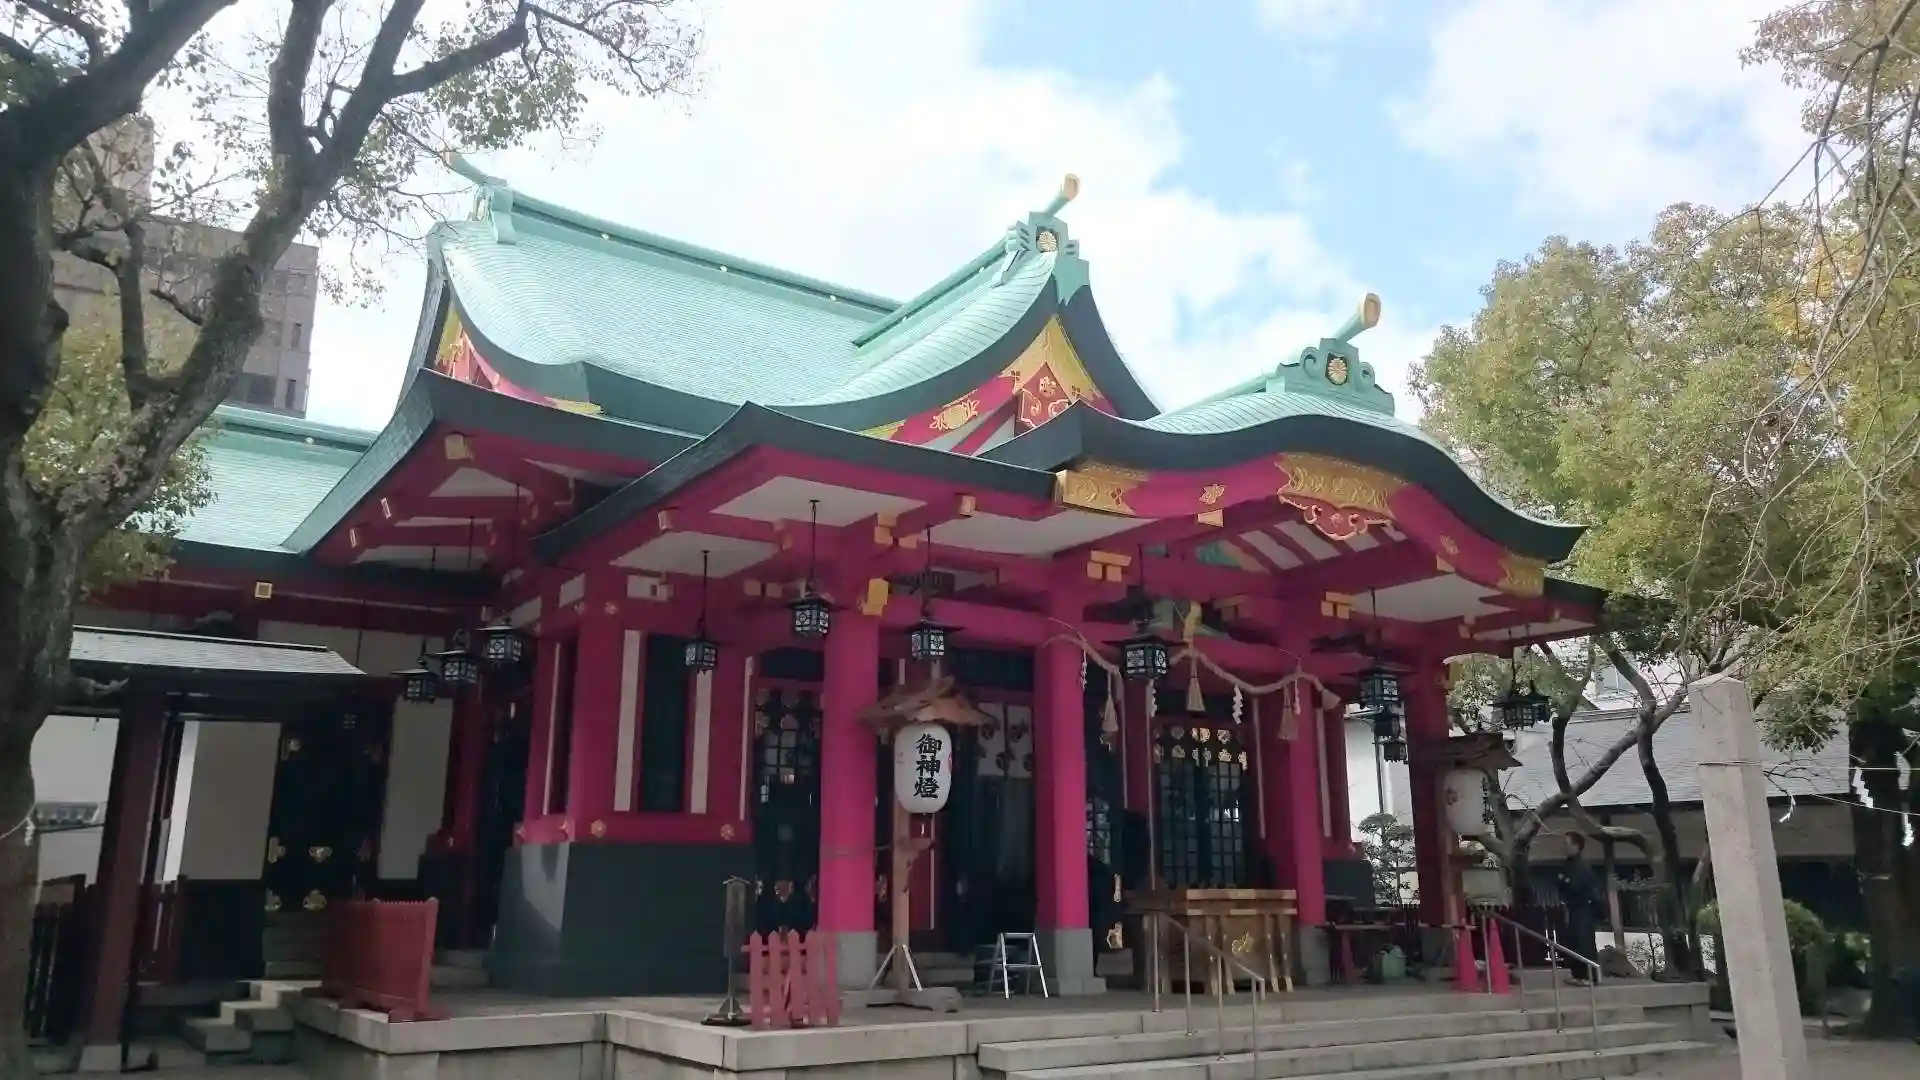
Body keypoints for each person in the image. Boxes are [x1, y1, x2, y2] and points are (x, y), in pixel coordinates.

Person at [1553, 833, 1603, 986]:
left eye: (1567, 843)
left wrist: (1564, 880)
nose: (1564, 847)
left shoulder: (1582, 866)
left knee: (1584, 942)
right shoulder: (1567, 864)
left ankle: (1589, 976)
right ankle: (1577, 974)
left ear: (1576, 846)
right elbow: (1559, 882)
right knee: (1574, 940)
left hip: (1584, 908)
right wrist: (1563, 880)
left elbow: (1574, 885)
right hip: (1573, 908)